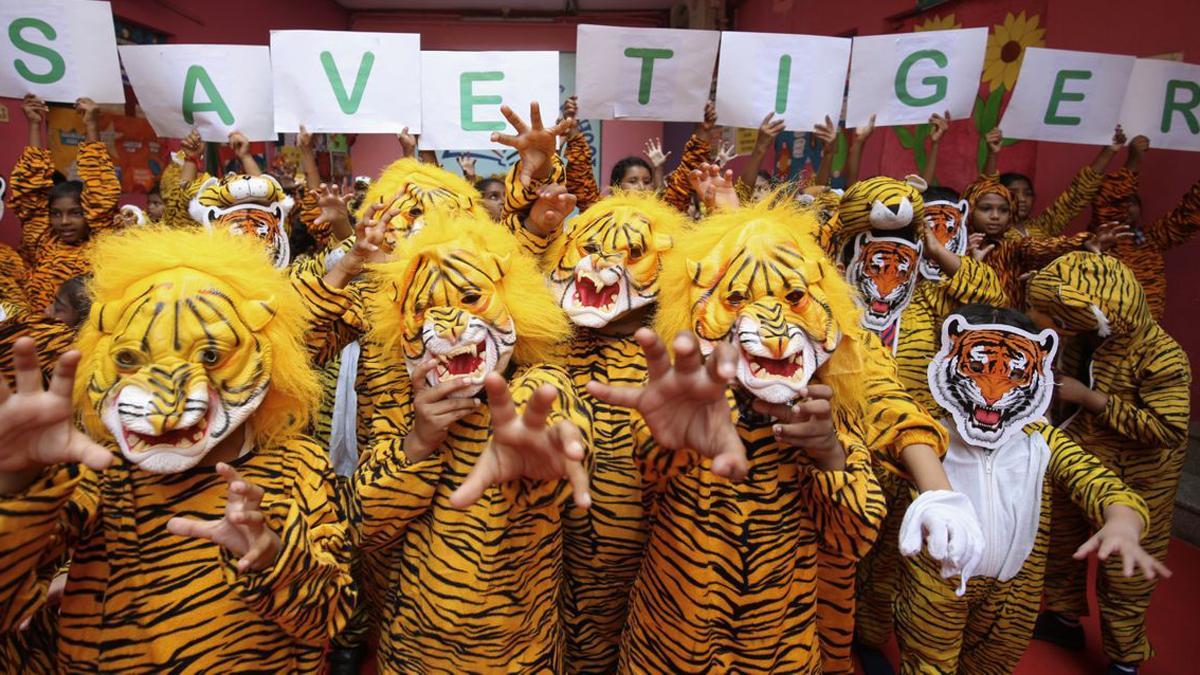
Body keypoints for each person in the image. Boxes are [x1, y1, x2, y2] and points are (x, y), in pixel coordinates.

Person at [0, 227, 356, 671]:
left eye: (209, 356)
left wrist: (271, 558)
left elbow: (328, 619)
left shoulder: (298, 467)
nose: (164, 393)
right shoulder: (100, 471)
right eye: (131, 359)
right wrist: (16, 485)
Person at [351, 210, 594, 670]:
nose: (448, 324)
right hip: (412, 652)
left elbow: (566, 438)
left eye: (469, 298)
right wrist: (417, 444)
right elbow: (363, 527)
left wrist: (544, 452)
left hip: (517, 654)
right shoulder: (404, 404)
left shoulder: (540, 383)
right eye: (424, 310)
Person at [894, 304, 1165, 674]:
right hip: (936, 584)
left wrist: (1123, 520)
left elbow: (1102, 485)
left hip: (1013, 593)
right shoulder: (926, 432)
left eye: (1014, 374)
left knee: (992, 666)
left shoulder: (1042, 440)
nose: (991, 393)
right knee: (927, 666)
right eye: (977, 368)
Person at [1028, 252, 1191, 675]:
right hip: (1078, 464)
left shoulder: (1162, 355)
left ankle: (1124, 659)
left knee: (1124, 574)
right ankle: (1063, 619)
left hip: (1139, 482)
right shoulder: (1085, 338)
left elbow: (1169, 430)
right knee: (1061, 547)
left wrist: (1090, 399)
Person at [6, 95, 119, 309]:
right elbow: (31, 188)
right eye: (56, 214)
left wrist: (91, 124)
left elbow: (100, 189)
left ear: (90, 212)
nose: (64, 221)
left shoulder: (100, 246)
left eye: (76, 213)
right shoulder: (42, 240)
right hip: (35, 334)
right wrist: (34, 123)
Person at [1087, 135, 1200, 320]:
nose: (1128, 208)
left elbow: (1187, 218)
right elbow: (1111, 203)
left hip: (1144, 333)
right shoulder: (1100, 237)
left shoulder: (1150, 239)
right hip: (1104, 331)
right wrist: (1134, 160)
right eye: (1125, 202)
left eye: (1133, 203)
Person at [985, 126, 1124, 238]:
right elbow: (985, 188)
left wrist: (1110, 150)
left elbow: (1076, 195)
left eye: (1027, 194)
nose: (1022, 199)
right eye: (1013, 192)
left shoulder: (1043, 227)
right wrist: (992, 153)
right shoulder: (992, 230)